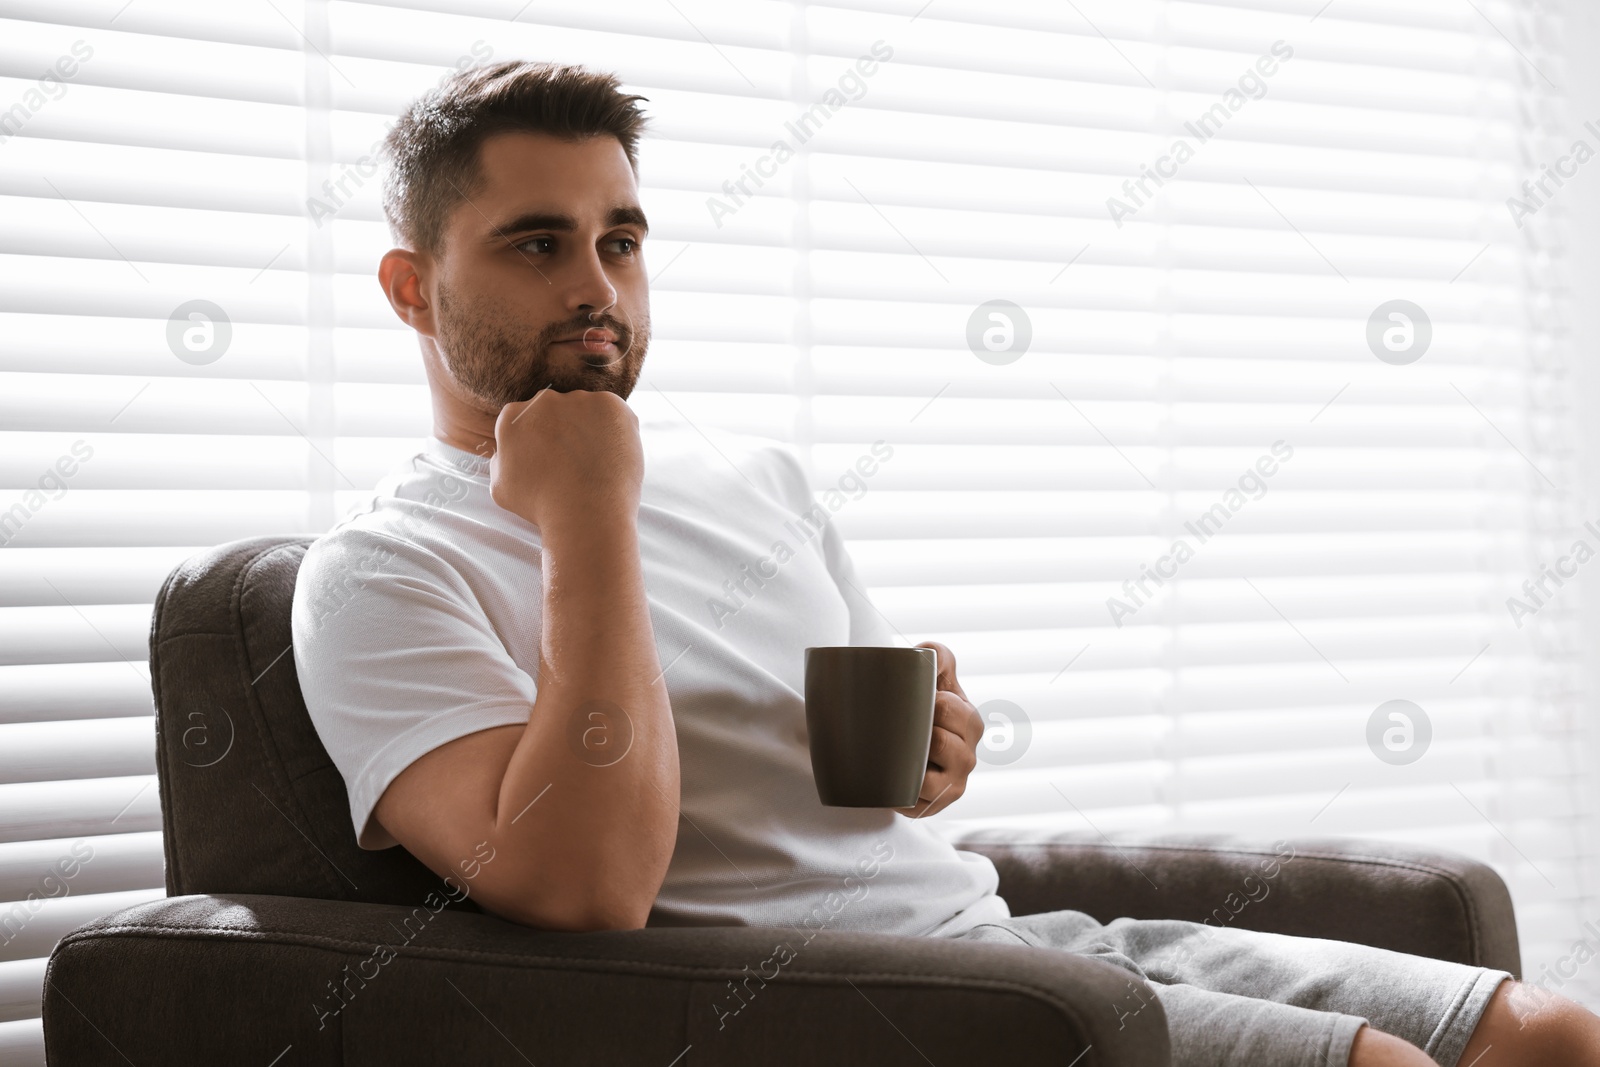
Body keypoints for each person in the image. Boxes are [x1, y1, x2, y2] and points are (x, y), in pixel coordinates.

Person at [289, 59, 1600, 1066]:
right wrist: (584, 521)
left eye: (620, 241)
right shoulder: (380, 571)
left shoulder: (758, 485)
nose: (598, 287)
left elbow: (866, 797)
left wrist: (936, 750)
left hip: (1006, 942)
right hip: (849, 1007)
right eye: (537, 243)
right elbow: (582, 895)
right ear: (412, 288)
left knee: (1549, 1037)